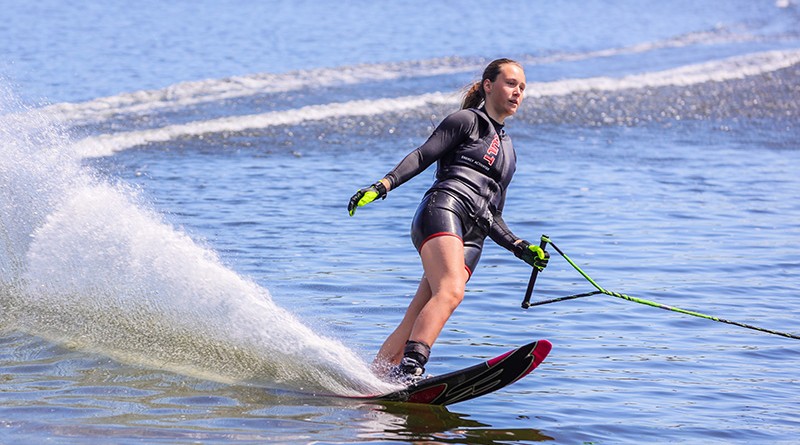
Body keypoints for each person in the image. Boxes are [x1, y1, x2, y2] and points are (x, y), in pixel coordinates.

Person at [347, 58, 549, 384]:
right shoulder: (466, 121)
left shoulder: (510, 150)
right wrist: (382, 186)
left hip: (475, 237)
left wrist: (519, 247)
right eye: (511, 83)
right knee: (451, 291)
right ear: (488, 85)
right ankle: (411, 370)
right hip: (445, 209)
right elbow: (422, 155)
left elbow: (494, 213)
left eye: (522, 88)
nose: (517, 92)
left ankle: (375, 381)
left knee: (420, 312)